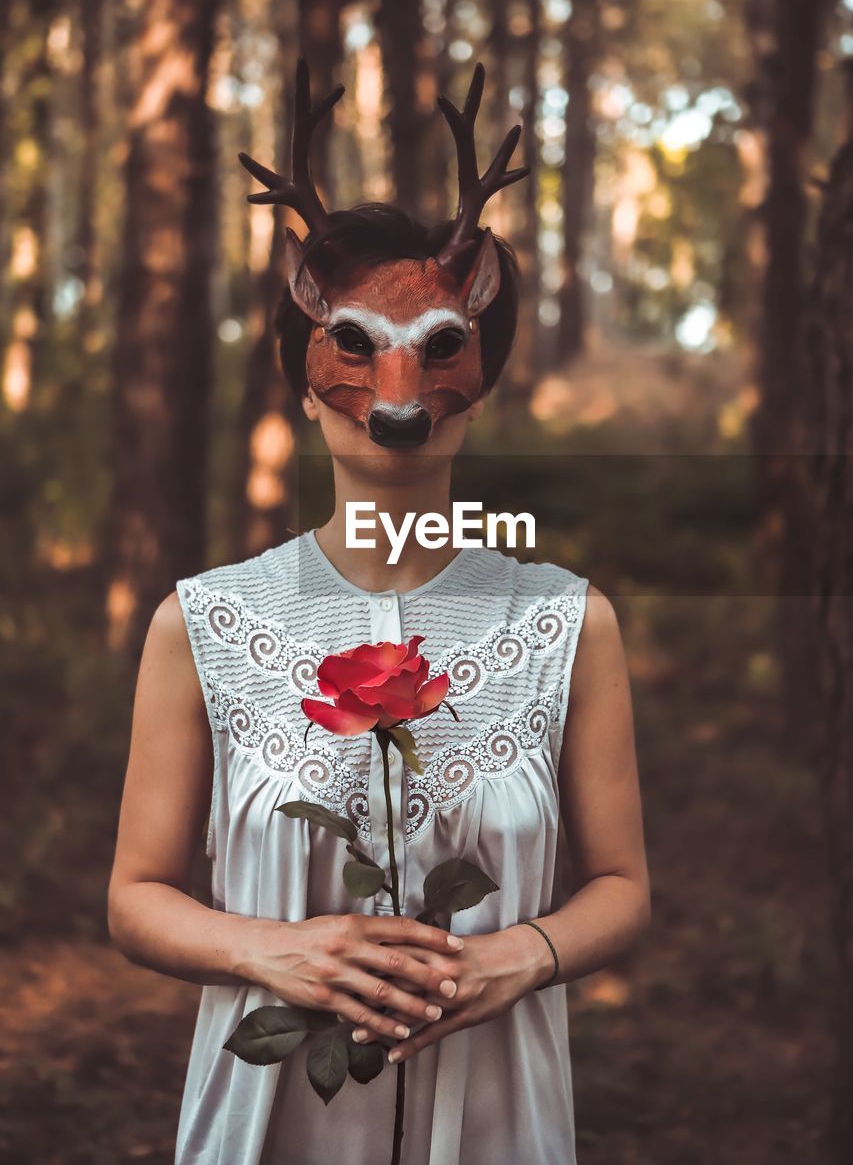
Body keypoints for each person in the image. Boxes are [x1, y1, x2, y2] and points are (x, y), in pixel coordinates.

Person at [107, 61, 651, 1165]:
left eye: (438, 342)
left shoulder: (568, 622)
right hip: (270, 1121)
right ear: (305, 380)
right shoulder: (201, 622)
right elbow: (134, 895)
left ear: (479, 371)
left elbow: (624, 886)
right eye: (354, 344)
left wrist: (521, 955)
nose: (396, 388)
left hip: (497, 1116)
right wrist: (276, 951)